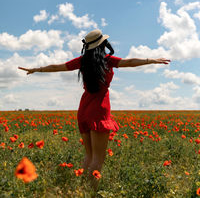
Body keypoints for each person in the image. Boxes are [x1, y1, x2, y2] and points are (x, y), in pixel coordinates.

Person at [18, 29, 170, 190]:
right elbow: (129, 62)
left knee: (89, 155)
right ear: (103, 44)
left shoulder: (82, 61)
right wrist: (151, 60)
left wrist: (36, 69)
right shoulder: (107, 60)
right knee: (98, 157)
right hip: (99, 109)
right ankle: (91, 191)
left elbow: (58, 67)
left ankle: (83, 188)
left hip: (84, 109)